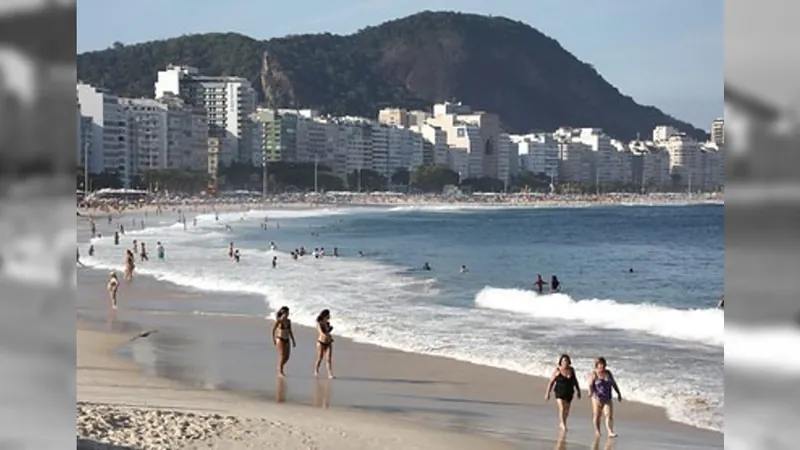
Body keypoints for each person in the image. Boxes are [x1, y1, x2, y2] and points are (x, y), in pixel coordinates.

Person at [545, 354, 581, 431]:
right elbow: (551, 382)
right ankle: (563, 424)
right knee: (562, 408)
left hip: (569, 392)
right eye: (564, 361)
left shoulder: (571, 370)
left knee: (567, 410)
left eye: (567, 361)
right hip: (559, 392)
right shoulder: (557, 370)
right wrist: (547, 393)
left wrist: (578, 391)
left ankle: (563, 422)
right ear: (560, 362)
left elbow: (575, 381)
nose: (565, 362)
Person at [588, 357, 622, 437]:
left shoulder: (608, 373)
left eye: (603, 364)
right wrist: (590, 392)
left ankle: (610, 431)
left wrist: (618, 393)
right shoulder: (594, 374)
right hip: (597, 397)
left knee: (608, 414)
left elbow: (613, 383)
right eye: (600, 364)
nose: (602, 366)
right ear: (597, 365)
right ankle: (597, 431)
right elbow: (590, 385)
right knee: (597, 415)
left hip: (607, 397)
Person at [271, 306, 296, 377]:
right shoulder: (279, 321)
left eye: (288, 313)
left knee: (287, 356)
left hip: (287, 339)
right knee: (282, 355)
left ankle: (279, 367)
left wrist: (293, 340)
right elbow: (273, 330)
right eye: (287, 313)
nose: (288, 314)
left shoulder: (288, 321)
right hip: (280, 339)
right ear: (283, 313)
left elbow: (290, 331)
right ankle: (280, 371)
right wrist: (274, 340)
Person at [314, 309, 335, 379]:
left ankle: (330, 374)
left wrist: (329, 330)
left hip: (328, 342)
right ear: (325, 315)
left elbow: (327, 332)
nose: (329, 316)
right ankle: (316, 370)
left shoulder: (328, 323)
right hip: (321, 342)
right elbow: (321, 333)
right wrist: (327, 335)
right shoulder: (319, 323)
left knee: (328, 359)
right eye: (328, 315)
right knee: (320, 357)